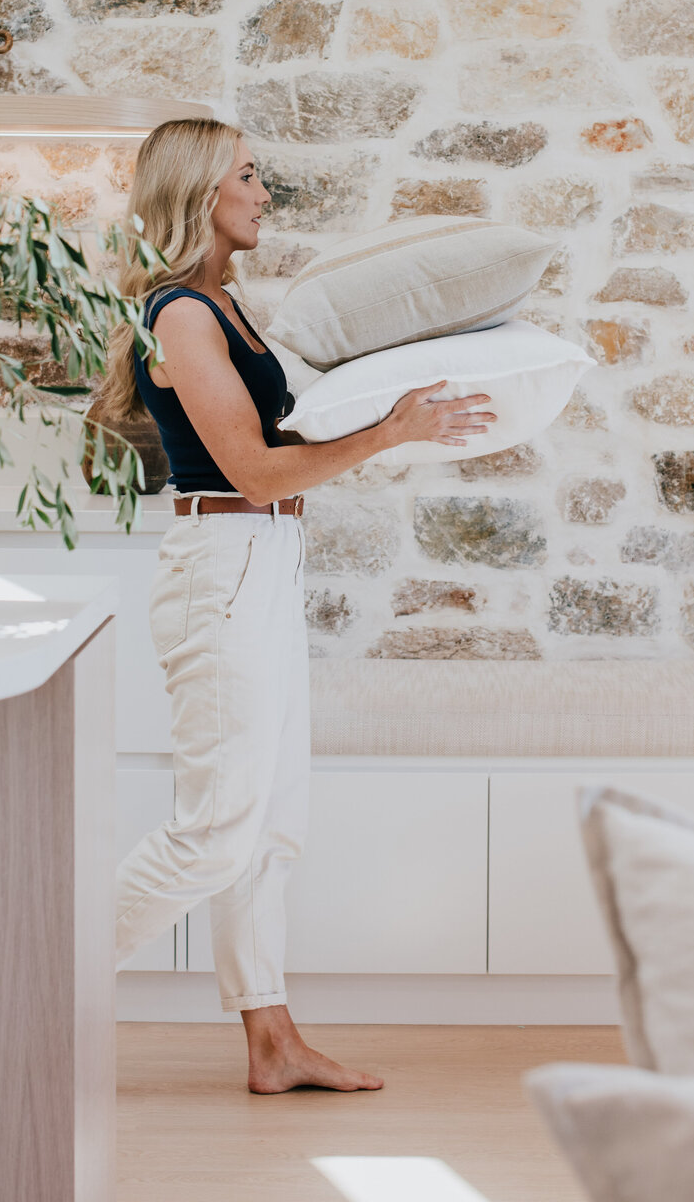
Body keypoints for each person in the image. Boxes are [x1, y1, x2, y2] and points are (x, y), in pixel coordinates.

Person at [100, 118, 495, 1094]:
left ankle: (272, 1043)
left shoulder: (226, 306)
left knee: (271, 820)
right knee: (219, 824)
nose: (265, 190)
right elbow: (250, 466)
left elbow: (278, 451)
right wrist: (389, 433)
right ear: (202, 192)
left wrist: (387, 406)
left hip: (262, 558)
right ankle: (23, 982)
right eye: (247, 174)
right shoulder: (182, 316)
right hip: (223, 561)